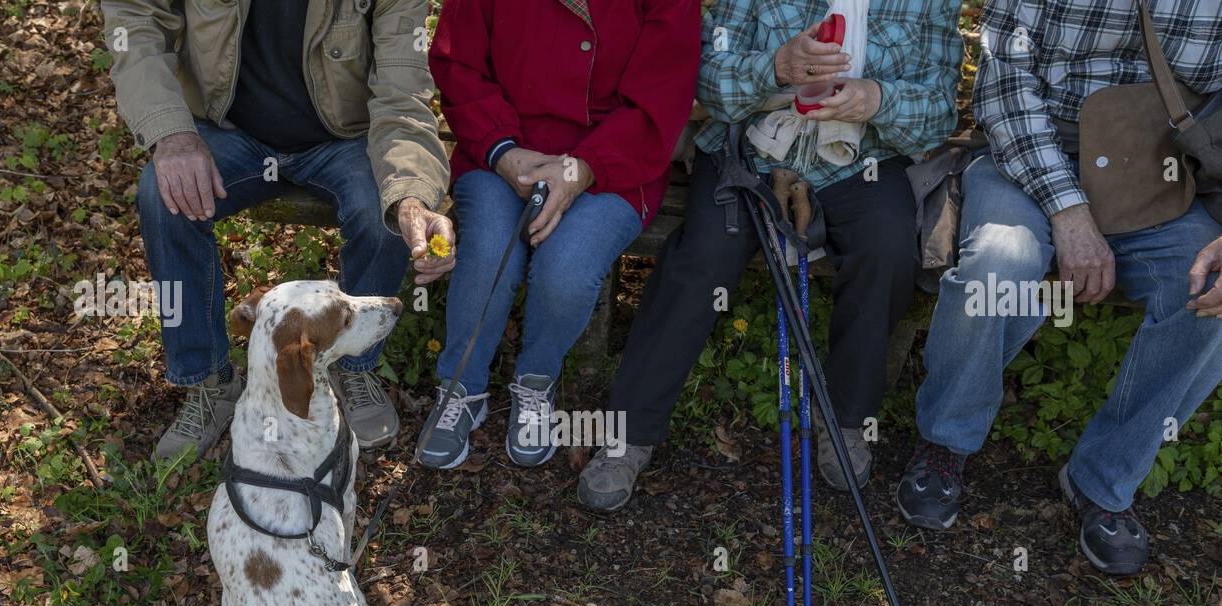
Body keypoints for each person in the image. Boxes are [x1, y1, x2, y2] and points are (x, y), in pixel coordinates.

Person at [577, 0, 963, 511]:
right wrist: (775, 68)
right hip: (748, 152)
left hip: (864, 160)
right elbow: (703, 76)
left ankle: (846, 417)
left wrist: (878, 99)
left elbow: (939, 110)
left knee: (888, 250)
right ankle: (630, 431)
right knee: (703, 261)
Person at [898, 0, 1222, 576]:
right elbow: (1004, 91)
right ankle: (946, 440)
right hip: (1029, 155)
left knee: (1212, 293)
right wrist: (1068, 211)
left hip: (1158, 177)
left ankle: (1104, 478)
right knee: (998, 267)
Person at [101, 0, 455, 460]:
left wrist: (409, 195)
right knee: (163, 198)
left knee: (384, 206)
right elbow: (136, 19)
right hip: (229, 130)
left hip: (344, 137)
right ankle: (207, 380)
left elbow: (401, 93)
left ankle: (351, 365)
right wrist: (171, 134)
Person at [420, 0, 701, 469]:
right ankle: (460, 387)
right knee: (489, 253)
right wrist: (501, 150)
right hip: (500, 150)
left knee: (566, 271)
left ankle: (536, 380)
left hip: (615, 161)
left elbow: (662, 95)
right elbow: (457, 61)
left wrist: (583, 169)